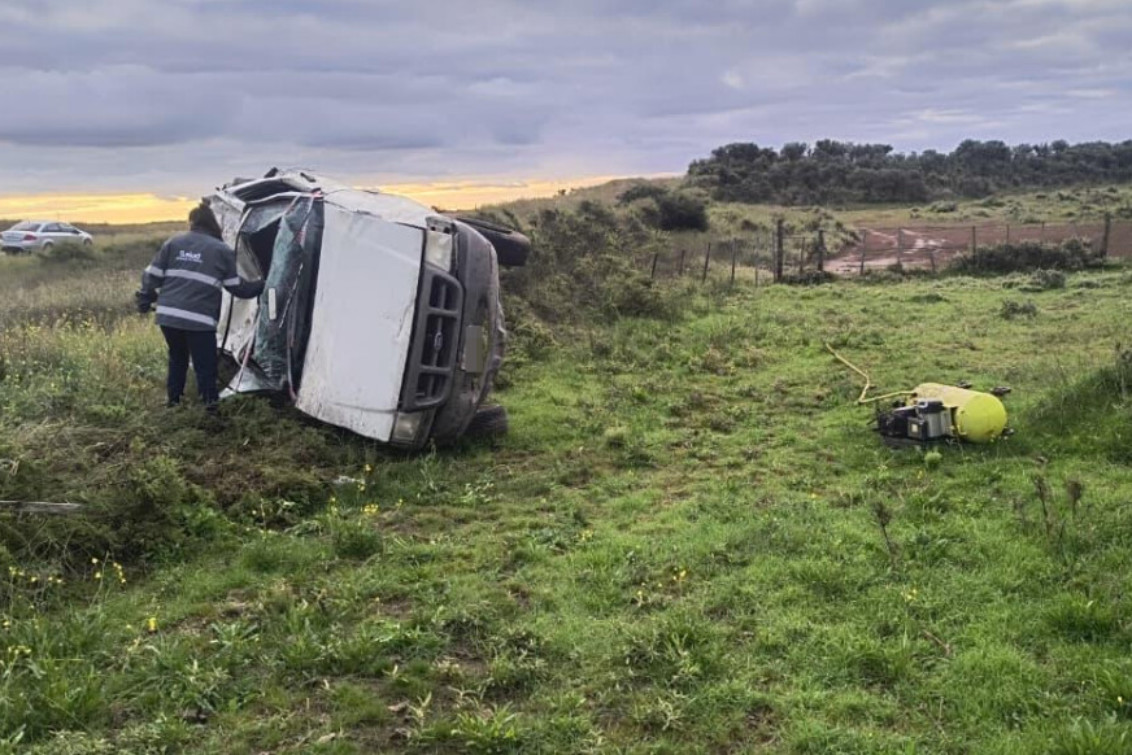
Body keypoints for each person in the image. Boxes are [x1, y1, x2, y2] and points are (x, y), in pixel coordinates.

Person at [136, 202, 264, 412]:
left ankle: (174, 404)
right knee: (205, 365)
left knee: (177, 358)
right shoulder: (222, 250)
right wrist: (263, 284)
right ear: (213, 224)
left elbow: (151, 276)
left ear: (193, 223)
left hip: (169, 318)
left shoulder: (173, 243)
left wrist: (145, 297)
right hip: (199, 320)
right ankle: (210, 410)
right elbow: (238, 288)